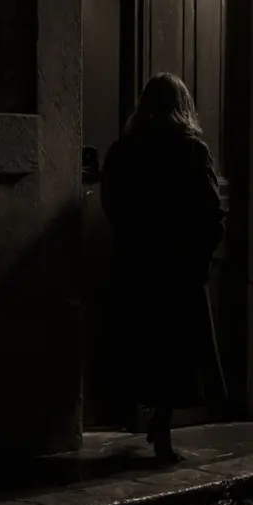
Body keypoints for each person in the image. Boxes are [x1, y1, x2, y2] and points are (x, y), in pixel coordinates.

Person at [100, 72, 227, 463]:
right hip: (179, 268)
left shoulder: (124, 150)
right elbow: (210, 211)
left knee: (146, 346)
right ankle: (164, 426)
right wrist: (199, 258)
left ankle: (155, 420)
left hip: (139, 266)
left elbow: (112, 204)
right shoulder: (191, 150)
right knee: (177, 352)